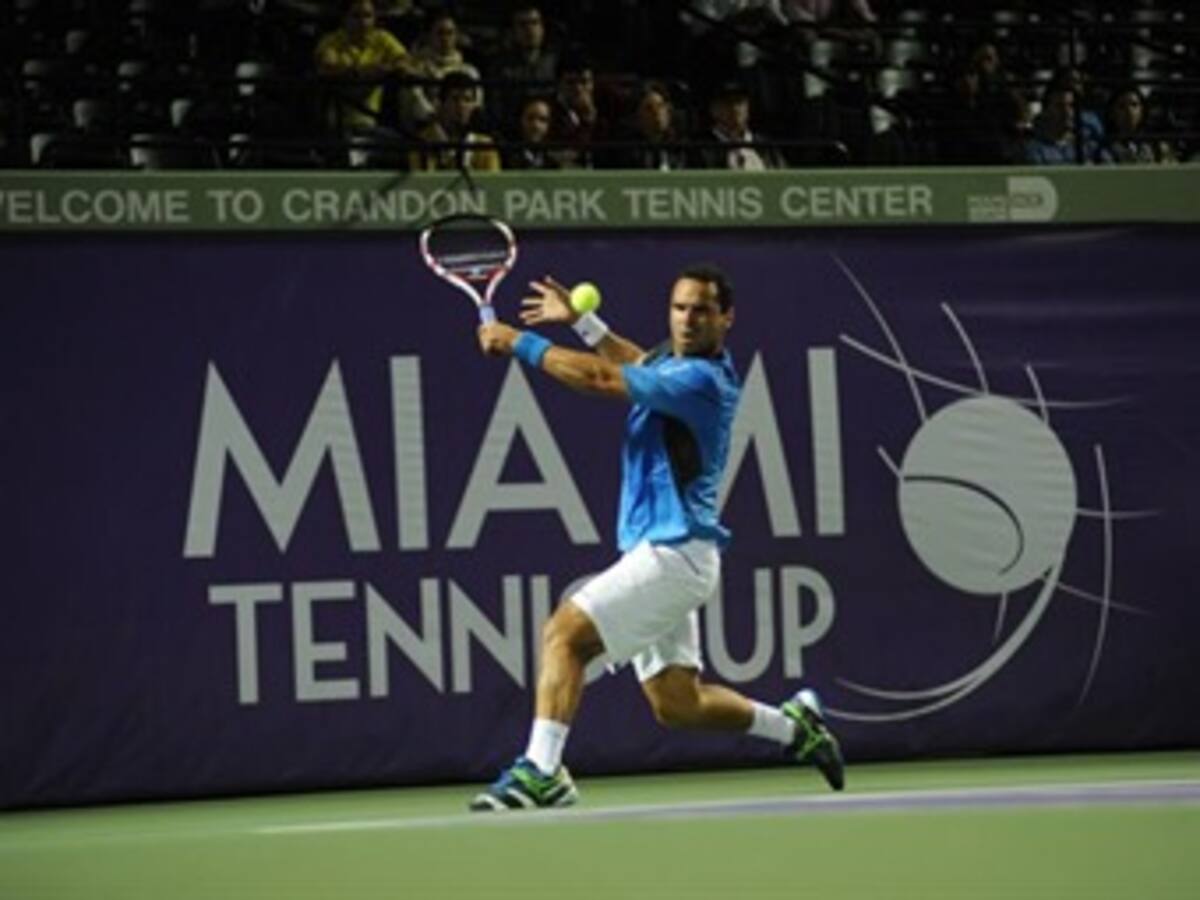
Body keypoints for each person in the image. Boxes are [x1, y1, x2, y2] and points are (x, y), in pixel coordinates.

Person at [469, 266, 845, 811]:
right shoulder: (677, 364)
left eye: (701, 310)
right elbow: (636, 362)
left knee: (564, 634)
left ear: (726, 318)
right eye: (679, 308)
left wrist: (520, 342)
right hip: (668, 554)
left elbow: (602, 379)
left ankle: (542, 771)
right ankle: (794, 728)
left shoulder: (704, 382)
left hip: (673, 554)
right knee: (678, 703)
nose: (687, 319)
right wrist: (584, 322)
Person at [314, 0, 414, 133]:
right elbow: (327, 68)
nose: (363, 22)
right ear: (345, 18)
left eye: (368, 16)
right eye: (356, 16)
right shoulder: (332, 41)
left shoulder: (383, 38)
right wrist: (364, 72)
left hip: (373, 120)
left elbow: (404, 61)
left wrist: (384, 70)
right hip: (337, 122)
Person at [402, 12, 483, 130]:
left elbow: (476, 107)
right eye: (440, 33)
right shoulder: (415, 68)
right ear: (428, 35)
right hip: (425, 132)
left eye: (450, 33)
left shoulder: (469, 71)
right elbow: (413, 109)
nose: (445, 38)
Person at [409, 71, 501, 171]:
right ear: (440, 103)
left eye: (467, 100)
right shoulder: (422, 143)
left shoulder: (484, 146)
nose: (461, 105)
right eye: (455, 99)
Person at [693, 80, 785, 170]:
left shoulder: (765, 146)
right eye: (727, 103)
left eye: (740, 102)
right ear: (713, 109)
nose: (735, 108)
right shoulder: (698, 148)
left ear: (748, 108)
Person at [604, 81, 688, 170]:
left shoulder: (683, 148)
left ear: (668, 111)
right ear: (638, 116)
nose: (657, 113)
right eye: (649, 108)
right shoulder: (626, 151)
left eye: (660, 106)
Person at [1098, 85, 1176, 165]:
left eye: (1134, 105)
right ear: (1112, 113)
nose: (1129, 111)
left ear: (1142, 110)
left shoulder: (1156, 146)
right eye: (1121, 106)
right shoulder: (1105, 149)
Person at [504, 95, 558, 169]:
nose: (536, 125)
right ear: (520, 120)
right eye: (530, 118)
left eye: (543, 120)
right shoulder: (505, 157)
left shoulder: (554, 161)